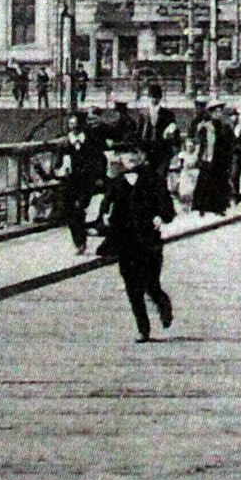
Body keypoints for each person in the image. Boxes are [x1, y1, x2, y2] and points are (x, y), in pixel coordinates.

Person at [97, 148, 175, 342]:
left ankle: (163, 303)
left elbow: (167, 207)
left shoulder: (153, 180)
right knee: (132, 286)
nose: (131, 157)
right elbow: (106, 205)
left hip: (148, 239)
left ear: (142, 156)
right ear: (120, 159)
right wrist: (105, 216)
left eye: (135, 152)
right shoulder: (117, 183)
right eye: (125, 153)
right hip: (125, 241)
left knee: (151, 283)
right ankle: (143, 328)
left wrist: (160, 216)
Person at [56, 114, 105, 255]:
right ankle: (80, 240)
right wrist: (61, 171)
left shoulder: (90, 141)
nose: (74, 127)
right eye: (71, 124)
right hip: (69, 183)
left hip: (85, 182)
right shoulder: (64, 143)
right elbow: (57, 165)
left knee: (78, 209)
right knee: (70, 213)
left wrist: (98, 176)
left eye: (76, 124)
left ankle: (80, 242)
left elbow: (100, 160)